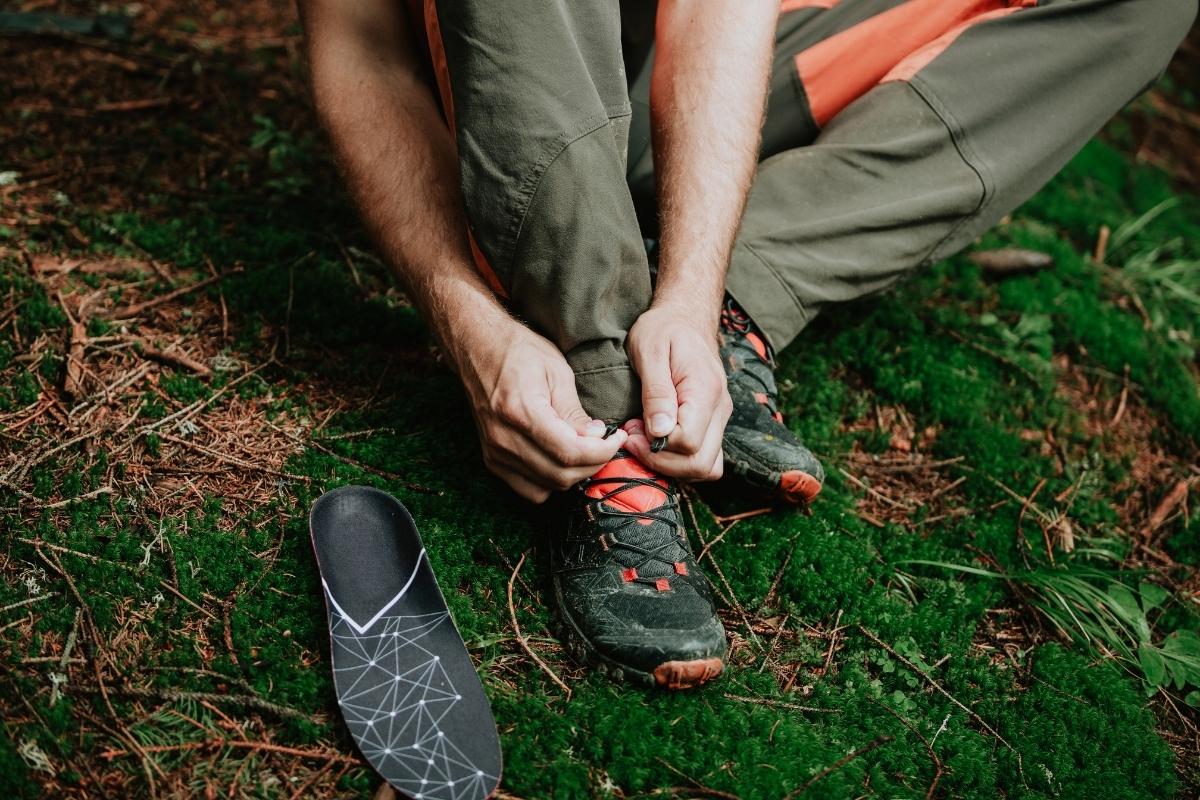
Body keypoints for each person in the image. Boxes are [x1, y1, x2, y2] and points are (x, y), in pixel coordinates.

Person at [298, 0, 1194, 689]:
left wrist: (692, 292)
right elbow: (360, 45)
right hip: (505, 89)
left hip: (707, 88)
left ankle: (737, 298)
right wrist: (469, 324)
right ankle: (605, 396)